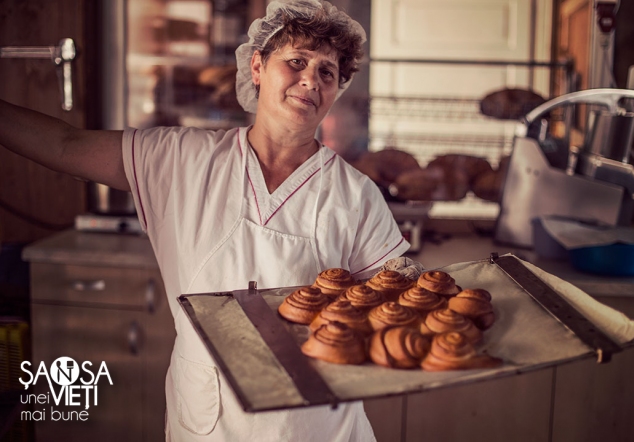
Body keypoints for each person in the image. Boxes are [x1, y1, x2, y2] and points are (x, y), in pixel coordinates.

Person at [0, 0, 410, 440]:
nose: (311, 80)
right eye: (296, 61)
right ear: (257, 67)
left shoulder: (356, 195)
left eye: (327, 72)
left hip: (314, 425)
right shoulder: (180, 160)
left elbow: (396, 303)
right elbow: (65, 147)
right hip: (208, 420)